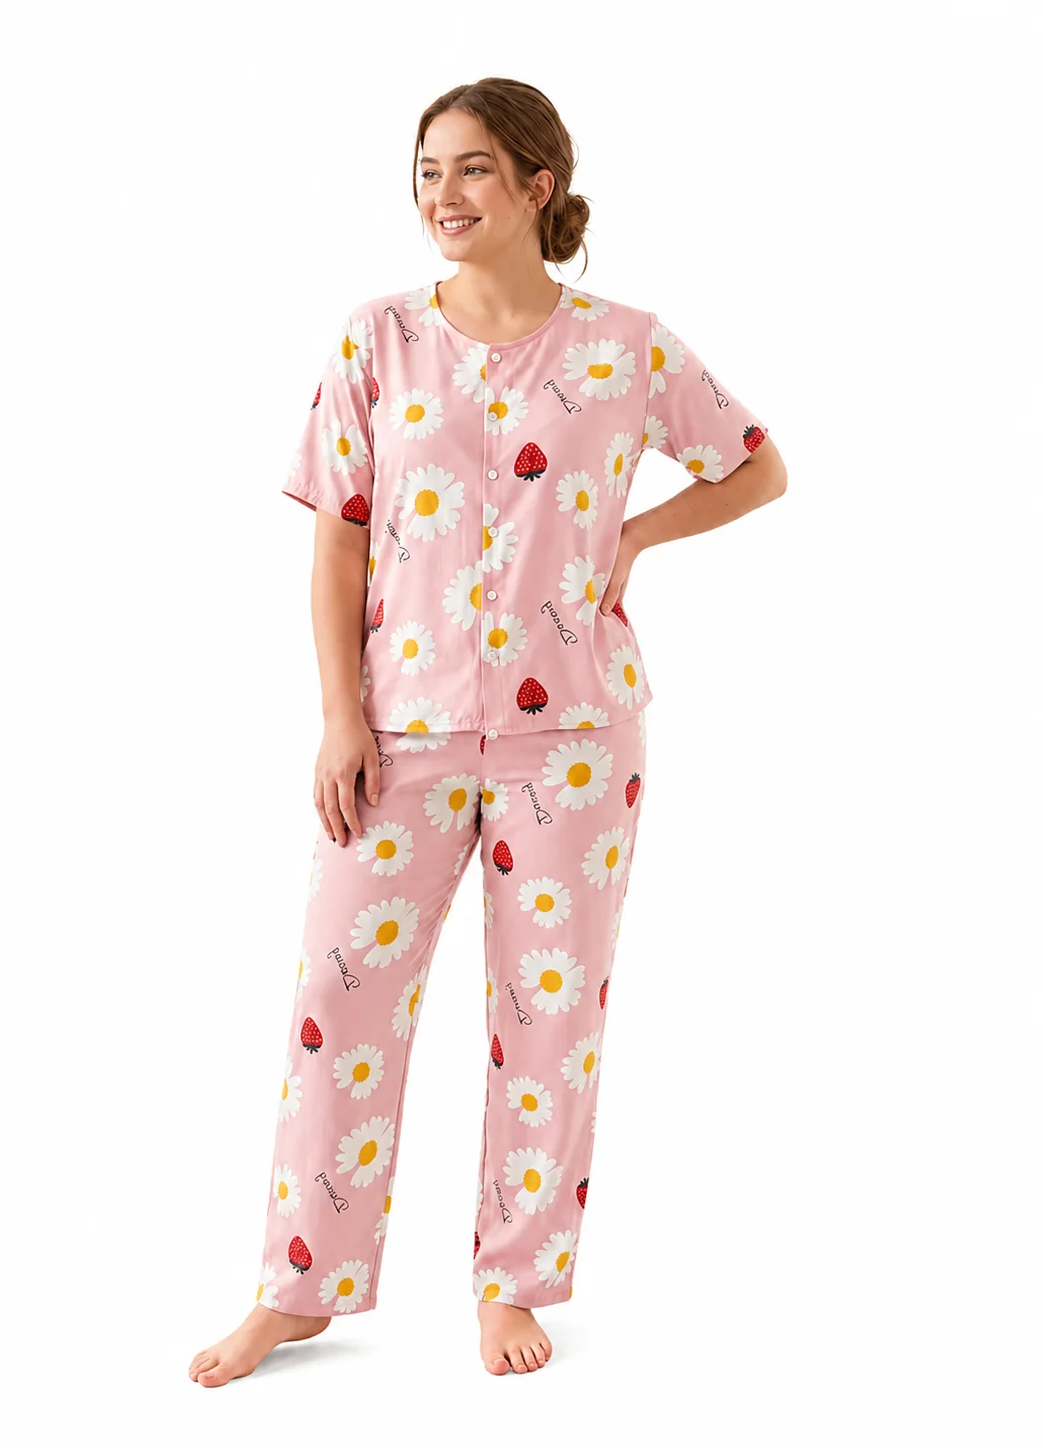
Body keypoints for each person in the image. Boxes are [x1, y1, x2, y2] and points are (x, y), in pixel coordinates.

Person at [189, 75, 787, 1387]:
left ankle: (514, 1281)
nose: (442, 195)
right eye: (426, 170)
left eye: (470, 169)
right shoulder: (377, 340)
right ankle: (301, 1285)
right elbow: (338, 540)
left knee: (547, 1012)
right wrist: (338, 716)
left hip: (574, 733)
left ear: (535, 185)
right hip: (397, 732)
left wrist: (634, 537)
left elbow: (756, 464)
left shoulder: (626, 347)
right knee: (337, 999)